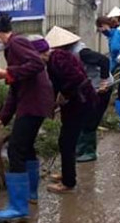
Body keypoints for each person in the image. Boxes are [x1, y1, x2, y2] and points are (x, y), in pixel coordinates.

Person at [0, 13, 55, 223]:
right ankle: (31, 194)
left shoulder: (16, 43)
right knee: (26, 147)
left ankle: (18, 207)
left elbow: (37, 64)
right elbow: (15, 90)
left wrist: (6, 72)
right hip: (34, 102)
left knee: (16, 149)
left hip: (33, 104)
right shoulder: (14, 47)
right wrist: (2, 118)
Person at [35, 30, 96, 194]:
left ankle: (68, 182)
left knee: (66, 142)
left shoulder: (59, 58)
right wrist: (52, 104)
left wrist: (65, 95)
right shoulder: (54, 59)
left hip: (81, 102)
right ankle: (67, 174)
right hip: (75, 103)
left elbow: (75, 79)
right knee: (66, 140)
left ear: (40, 53)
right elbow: (56, 85)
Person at [44, 27, 114, 163]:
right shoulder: (60, 57)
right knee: (82, 119)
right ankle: (79, 149)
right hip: (86, 87)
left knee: (90, 120)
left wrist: (104, 81)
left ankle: (88, 152)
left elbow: (104, 61)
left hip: (99, 88)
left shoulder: (82, 52)